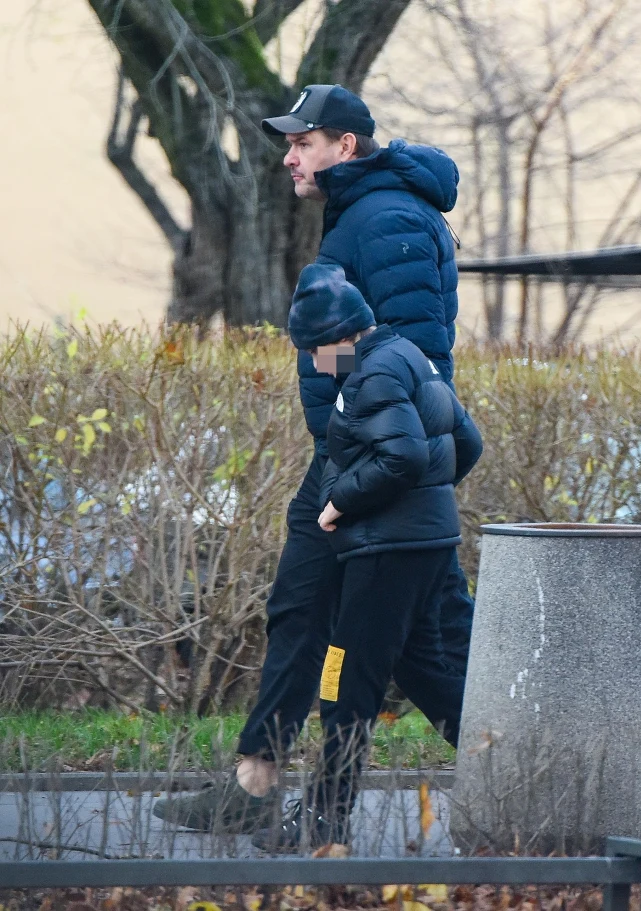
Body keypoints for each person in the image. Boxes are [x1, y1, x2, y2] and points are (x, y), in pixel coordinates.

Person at [155, 85, 480, 834]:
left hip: (379, 464)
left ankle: (530, 775)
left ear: (347, 145)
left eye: (303, 142)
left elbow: (413, 363)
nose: (288, 155)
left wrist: (362, 461)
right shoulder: (363, 210)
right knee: (302, 611)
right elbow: (355, 351)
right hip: (353, 454)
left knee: (425, 651)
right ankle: (255, 781)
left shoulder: (390, 217)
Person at [249, 264, 475, 851]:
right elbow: (465, 441)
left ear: (337, 337)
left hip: (384, 556)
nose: (315, 364)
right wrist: (430, 505)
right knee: (430, 673)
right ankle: (526, 776)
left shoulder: (366, 375)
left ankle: (325, 824)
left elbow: (399, 456)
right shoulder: (408, 356)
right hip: (427, 548)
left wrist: (338, 506)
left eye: (313, 351)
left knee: (343, 683)